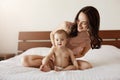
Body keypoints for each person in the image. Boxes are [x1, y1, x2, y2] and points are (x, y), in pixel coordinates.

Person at [21, 6, 102, 70]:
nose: (79, 25)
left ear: (92, 24)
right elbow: (52, 34)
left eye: (84, 23)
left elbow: (82, 54)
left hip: (68, 61)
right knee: (25, 61)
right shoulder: (67, 26)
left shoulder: (88, 39)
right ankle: (52, 64)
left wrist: (71, 58)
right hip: (54, 57)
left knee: (87, 66)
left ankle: (63, 67)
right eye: (78, 20)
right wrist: (55, 50)